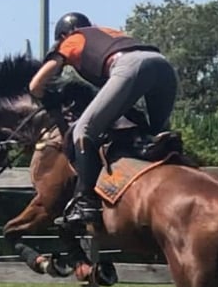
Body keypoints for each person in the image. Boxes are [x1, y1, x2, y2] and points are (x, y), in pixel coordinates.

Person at [29, 11, 178, 228]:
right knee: (157, 137)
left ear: (62, 35)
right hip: (163, 65)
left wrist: (46, 97)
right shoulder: (108, 33)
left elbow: (35, 85)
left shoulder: (71, 40)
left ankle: (86, 201)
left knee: (83, 130)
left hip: (130, 66)